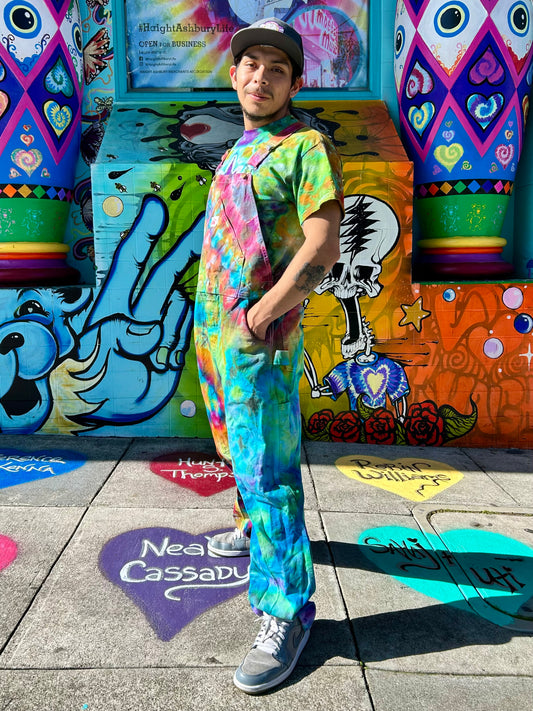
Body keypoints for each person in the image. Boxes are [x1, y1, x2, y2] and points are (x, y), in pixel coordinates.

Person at [193, 17, 344, 694]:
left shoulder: (305, 146)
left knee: (268, 468)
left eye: (277, 68)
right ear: (234, 75)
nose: (261, 77)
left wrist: (263, 313)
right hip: (215, 331)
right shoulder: (238, 149)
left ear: (295, 83)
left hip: (261, 336)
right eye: (251, 64)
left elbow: (322, 246)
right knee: (233, 444)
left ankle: (286, 610)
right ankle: (249, 526)